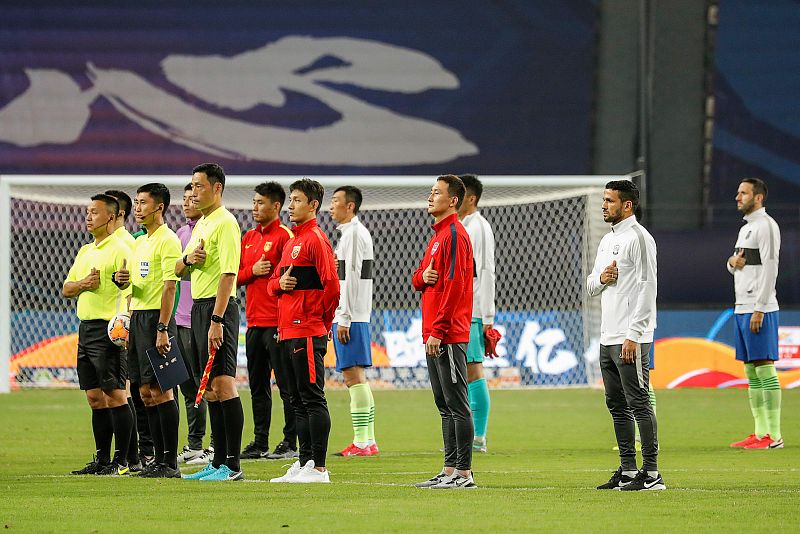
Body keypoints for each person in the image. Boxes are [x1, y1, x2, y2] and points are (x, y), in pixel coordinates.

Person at [588, 180, 664, 491]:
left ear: (627, 205)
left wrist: (634, 334)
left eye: (610, 201)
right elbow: (591, 284)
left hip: (631, 336)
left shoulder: (640, 238)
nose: (604, 205)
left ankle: (653, 472)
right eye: (604, 200)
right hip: (608, 335)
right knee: (616, 405)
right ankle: (629, 469)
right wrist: (603, 277)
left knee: (639, 403)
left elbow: (648, 287)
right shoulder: (608, 240)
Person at [176, 163, 245, 481]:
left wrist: (217, 319)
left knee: (223, 384)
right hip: (199, 309)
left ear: (217, 188)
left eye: (198, 186)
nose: (193, 192)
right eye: (191, 186)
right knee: (211, 390)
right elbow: (179, 268)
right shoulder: (201, 224)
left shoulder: (226, 223)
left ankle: (232, 466)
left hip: (219, 310)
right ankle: (217, 461)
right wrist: (189, 260)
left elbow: (229, 273)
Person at [268, 178, 339, 483]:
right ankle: (304, 461)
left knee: (312, 397)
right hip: (287, 330)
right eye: (291, 200)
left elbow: (332, 286)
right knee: (295, 398)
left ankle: (319, 468)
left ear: (313, 205)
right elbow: (274, 283)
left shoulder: (315, 240)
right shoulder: (292, 243)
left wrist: (321, 322)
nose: (291, 206)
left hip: (307, 329)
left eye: (297, 200)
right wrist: (278, 285)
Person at [412, 175, 476, 490]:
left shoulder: (454, 235)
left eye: (436, 193)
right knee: (444, 403)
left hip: (447, 334)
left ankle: (464, 474)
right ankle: (449, 470)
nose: (430, 196)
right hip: (434, 333)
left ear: (453, 200)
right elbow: (418, 278)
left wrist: (438, 329)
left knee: (457, 402)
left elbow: (455, 286)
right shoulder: (437, 236)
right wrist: (422, 276)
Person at [116, 183, 183, 478]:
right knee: (144, 391)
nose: (138, 208)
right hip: (139, 318)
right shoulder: (140, 242)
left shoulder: (168, 240)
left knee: (162, 390)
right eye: (136, 203)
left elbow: (170, 287)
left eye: (143, 203)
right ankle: (157, 459)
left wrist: (162, 328)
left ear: (160, 207)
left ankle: (170, 463)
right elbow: (137, 285)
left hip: (158, 319)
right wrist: (123, 282)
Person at [63, 194, 134, 476]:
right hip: (86, 328)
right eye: (88, 211)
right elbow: (67, 288)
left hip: (110, 329)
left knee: (115, 395)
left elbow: (129, 288)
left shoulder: (122, 247)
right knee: (94, 397)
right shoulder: (85, 251)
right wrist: (84, 283)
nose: (89, 216)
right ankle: (102, 460)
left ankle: (123, 460)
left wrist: (127, 323)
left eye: (95, 212)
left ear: (111, 216)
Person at [237, 182, 298, 460]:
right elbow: (234, 276)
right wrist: (253, 270)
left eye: (260, 202)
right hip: (253, 323)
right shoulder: (248, 237)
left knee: (286, 386)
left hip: (278, 322)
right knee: (258, 386)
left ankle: (289, 442)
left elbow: (294, 278)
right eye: (253, 202)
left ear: (276, 206)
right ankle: (260, 441)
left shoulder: (286, 236)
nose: (254, 207)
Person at [727, 178, 783, 450]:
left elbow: (771, 268)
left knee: (764, 367)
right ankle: (760, 433)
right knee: (751, 370)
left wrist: (760, 307)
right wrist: (731, 262)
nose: (738, 197)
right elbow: (738, 263)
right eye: (738, 192)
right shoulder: (747, 229)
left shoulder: (766, 226)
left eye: (743, 193)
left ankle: (774, 435)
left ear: (758, 197)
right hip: (742, 307)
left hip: (759, 308)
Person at [329, 186, 378, 457]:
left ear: (350, 206)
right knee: (357, 377)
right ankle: (367, 441)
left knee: (354, 377)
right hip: (353, 315)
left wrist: (344, 317)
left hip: (351, 316)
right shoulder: (350, 234)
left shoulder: (355, 234)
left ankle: (361, 442)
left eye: (336, 201)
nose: (331, 206)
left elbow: (352, 278)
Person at [106, 189, 152, 469]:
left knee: (141, 389)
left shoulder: (128, 243)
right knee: (133, 389)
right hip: (125, 323)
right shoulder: (129, 242)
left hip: (137, 322)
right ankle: (136, 453)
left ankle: (144, 452)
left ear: (116, 215)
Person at [456, 174, 495, 454]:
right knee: (465, 370)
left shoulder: (478, 228)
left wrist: (487, 316)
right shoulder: (463, 226)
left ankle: (478, 436)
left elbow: (485, 271)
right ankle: (473, 433)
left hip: (473, 310)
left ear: (471, 199)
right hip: (463, 308)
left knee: (473, 369)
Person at [174, 183, 213, 465]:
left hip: (201, 317)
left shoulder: (211, 230)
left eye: (192, 197)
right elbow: (176, 270)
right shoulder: (181, 233)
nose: (188, 202)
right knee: (187, 385)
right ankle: (195, 444)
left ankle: (214, 444)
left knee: (208, 384)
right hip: (179, 317)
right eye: (185, 198)